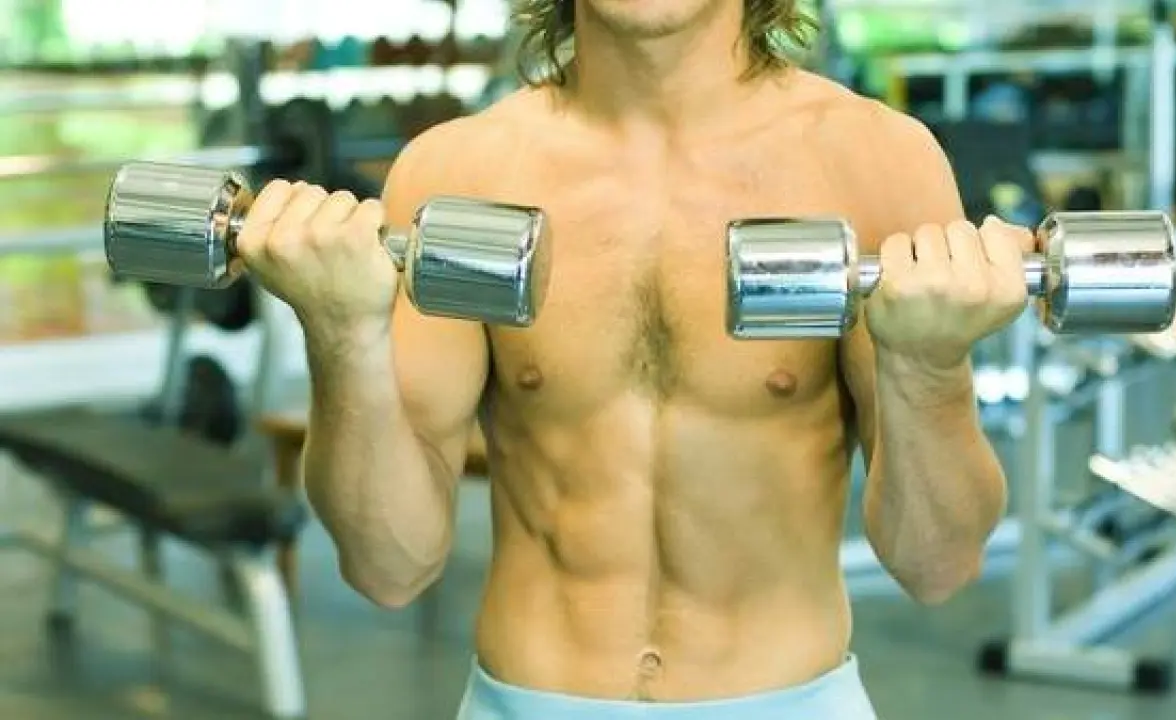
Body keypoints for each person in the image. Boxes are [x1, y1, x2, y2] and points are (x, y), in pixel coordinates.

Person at [234, 0, 1035, 714]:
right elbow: (388, 566)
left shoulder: (874, 161)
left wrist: (927, 369)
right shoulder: (460, 175)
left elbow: (938, 563)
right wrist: (341, 335)